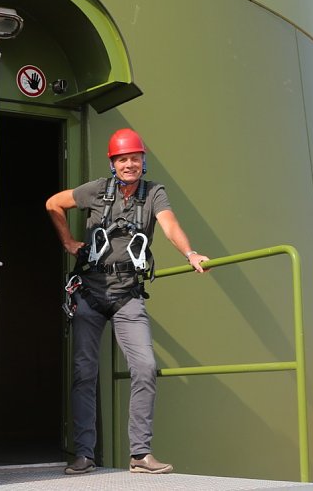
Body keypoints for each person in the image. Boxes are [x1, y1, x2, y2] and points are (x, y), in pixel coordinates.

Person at [45, 128, 209, 475]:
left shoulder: (154, 194)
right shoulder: (95, 191)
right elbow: (53, 203)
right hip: (89, 293)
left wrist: (190, 253)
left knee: (145, 368)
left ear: (143, 161)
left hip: (127, 296)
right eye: (123, 159)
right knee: (84, 373)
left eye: (135, 158)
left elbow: (169, 226)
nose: (130, 164)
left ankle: (140, 454)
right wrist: (68, 241)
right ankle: (84, 454)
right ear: (114, 163)